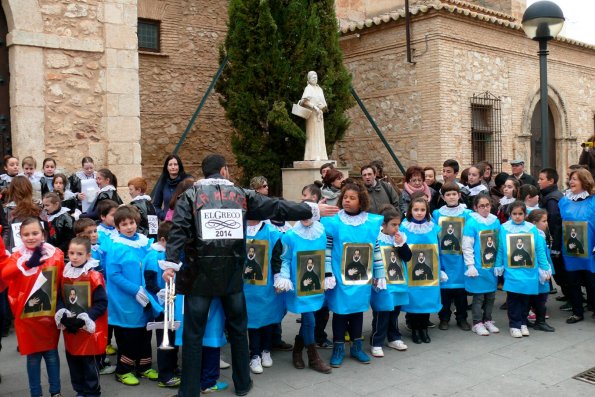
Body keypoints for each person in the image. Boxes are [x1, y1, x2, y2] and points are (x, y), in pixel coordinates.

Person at [160, 154, 337, 397]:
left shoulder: (189, 196)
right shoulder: (240, 194)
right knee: (238, 330)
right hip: (232, 278)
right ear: (224, 171)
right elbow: (276, 206)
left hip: (198, 277)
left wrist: (170, 262)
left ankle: (189, 390)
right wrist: (311, 209)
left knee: (193, 335)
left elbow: (178, 229)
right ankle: (242, 384)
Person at [322, 181, 383, 367]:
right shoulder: (334, 221)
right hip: (340, 278)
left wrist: (380, 274)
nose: (347, 201)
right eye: (345, 197)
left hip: (362, 278)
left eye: (352, 198)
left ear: (361, 201)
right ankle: (338, 348)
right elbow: (328, 248)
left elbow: (376, 248)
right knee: (340, 313)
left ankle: (357, 347)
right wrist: (327, 273)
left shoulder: (371, 222)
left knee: (357, 312)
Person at [1, 218, 64, 397]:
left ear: (42, 234)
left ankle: (55, 391)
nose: (30, 237)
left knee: (52, 355)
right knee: (33, 358)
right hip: (26, 318)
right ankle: (35, 393)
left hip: (49, 315)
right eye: (26, 234)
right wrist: (27, 264)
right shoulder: (17, 256)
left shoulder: (55, 253)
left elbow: (62, 281)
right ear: (20, 236)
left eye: (35, 233)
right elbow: (5, 274)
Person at [104, 206, 156, 386]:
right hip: (125, 299)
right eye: (124, 224)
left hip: (145, 297)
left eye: (131, 222)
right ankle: (123, 370)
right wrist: (135, 290)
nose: (129, 227)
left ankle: (144, 367)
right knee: (129, 335)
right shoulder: (116, 246)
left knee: (145, 333)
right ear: (117, 227)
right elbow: (114, 275)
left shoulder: (144, 242)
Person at [275, 215, 331, 373]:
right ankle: (313, 357)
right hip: (298, 284)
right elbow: (285, 258)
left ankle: (297, 350)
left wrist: (328, 275)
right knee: (310, 320)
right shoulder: (290, 235)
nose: (306, 218)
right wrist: (284, 277)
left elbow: (326, 255)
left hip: (316, 283)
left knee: (309, 319)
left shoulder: (321, 232)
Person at [55, 237, 108, 397]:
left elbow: (101, 302)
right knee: (74, 362)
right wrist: (62, 314)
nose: (75, 257)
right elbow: (58, 297)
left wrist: (86, 318)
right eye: (71, 253)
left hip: (88, 329)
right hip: (71, 328)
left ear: (88, 255)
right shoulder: (65, 273)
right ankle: (79, 390)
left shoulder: (94, 276)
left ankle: (92, 392)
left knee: (89, 363)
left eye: (79, 253)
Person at [495, 201, 551, 338]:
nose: (517, 217)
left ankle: (523, 322)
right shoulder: (504, 228)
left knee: (525, 297)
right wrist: (498, 264)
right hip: (512, 269)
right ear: (510, 214)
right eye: (514, 214)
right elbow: (501, 248)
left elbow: (538, 249)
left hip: (529, 269)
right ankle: (514, 324)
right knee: (513, 298)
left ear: (525, 214)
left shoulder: (531, 228)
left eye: (520, 214)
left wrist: (544, 267)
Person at [141, 221, 181, 388]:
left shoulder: (171, 253)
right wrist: (159, 293)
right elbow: (148, 283)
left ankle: (172, 367)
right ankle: (164, 375)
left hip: (173, 304)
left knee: (173, 338)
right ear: (164, 240)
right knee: (165, 341)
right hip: (161, 307)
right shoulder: (152, 256)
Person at [369, 205, 411, 357]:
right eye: (393, 225)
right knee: (382, 312)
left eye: (398, 224)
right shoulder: (376, 239)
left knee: (395, 312)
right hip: (383, 283)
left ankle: (394, 337)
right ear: (383, 225)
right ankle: (376, 341)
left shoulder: (400, 238)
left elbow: (408, 257)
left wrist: (401, 244)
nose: (397, 228)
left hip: (399, 282)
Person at [400, 196, 442, 344]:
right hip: (411, 271)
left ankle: (424, 328)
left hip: (430, 271)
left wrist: (441, 269)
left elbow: (438, 249)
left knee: (427, 299)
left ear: (427, 211)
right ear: (410, 210)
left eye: (422, 210)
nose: (419, 212)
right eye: (416, 209)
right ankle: (415, 329)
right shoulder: (404, 227)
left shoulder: (433, 226)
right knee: (414, 300)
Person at [244, 220, 284, 374]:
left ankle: (266, 350)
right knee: (252, 321)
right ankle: (254, 355)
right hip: (246, 287)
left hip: (267, 286)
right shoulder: (239, 229)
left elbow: (278, 258)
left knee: (268, 319)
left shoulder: (273, 233)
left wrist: (278, 278)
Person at [432, 183, 471, 331]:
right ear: (443, 197)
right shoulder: (437, 214)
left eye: (454, 194)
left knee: (461, 292)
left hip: (460, 259)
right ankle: (444, 318)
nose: (451, 197)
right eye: (448, 194)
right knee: (445, 292)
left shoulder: (467, 214)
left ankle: (462, 318)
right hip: (444, 258)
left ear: (459, 195)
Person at [558, 168, 595, 324]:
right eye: (570, 179)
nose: (571, 181)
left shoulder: (593, 201)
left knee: (592, 282)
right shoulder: (564, 201)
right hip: (570, 249)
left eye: (575, 179)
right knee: (572, 282)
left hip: (591, 250)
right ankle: (577, 311)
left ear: (584, 181)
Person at [462, 194, 501, 336]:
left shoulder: (495, 222)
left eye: (487, 205)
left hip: (491, 266)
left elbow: (499, 243)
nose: (485, 208)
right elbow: (467, 246)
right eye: (481, 206)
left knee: (491, 295)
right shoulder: (472, 223)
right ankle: (477, 322)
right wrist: (470, 265)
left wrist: (499, 263)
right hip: (478, 266)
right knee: (479, 297)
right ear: (475, 208)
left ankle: (488, 320)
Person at [538, 167, 566, 298]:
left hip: (555, 242)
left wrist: (555, 246)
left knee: (560, 272)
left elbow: (554, 223)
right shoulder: (550, 195)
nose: (538, 181)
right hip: (556, 241)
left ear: (551, 181)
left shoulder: (552, 199)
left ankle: (572, 298)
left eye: (541, 179)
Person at [526, 209, 556, 332]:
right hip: (539, 271)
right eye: (543, 221)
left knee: (540, 296)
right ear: (534, 223)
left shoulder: (541, 234)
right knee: (540, 297)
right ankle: (539, 321)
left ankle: (537, 320)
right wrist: (544, 269)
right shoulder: (535, 235)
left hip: (544, 269)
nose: (546, 223)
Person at [2, 176, 44, 251]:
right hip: (37, 252)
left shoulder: (6, 210)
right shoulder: (39, 209)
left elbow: (5, 233)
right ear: (29, 189)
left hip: (13, 253)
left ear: (12, 191)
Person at [298, 71, 328, 161]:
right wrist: (314, 107)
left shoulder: (319, 89)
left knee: (320, 134)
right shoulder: (308, 88)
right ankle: (312, 155)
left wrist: (322, 107)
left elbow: (323, 103)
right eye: (313, 77)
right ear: (309, 79)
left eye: (316, 77)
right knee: (312, 134)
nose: (315, 78)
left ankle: (321, 155)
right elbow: (304, 101)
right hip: (311, 114)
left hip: (319, 115)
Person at [151, 154, 191, 220]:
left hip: (185, 222)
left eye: (175, 164)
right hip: (168, 224)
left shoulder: (187, 181)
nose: (173, 167)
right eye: (170, 165)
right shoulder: (163, 182)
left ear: (179, 166)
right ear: (166, 167)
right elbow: (156, 205)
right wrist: (164, 216)